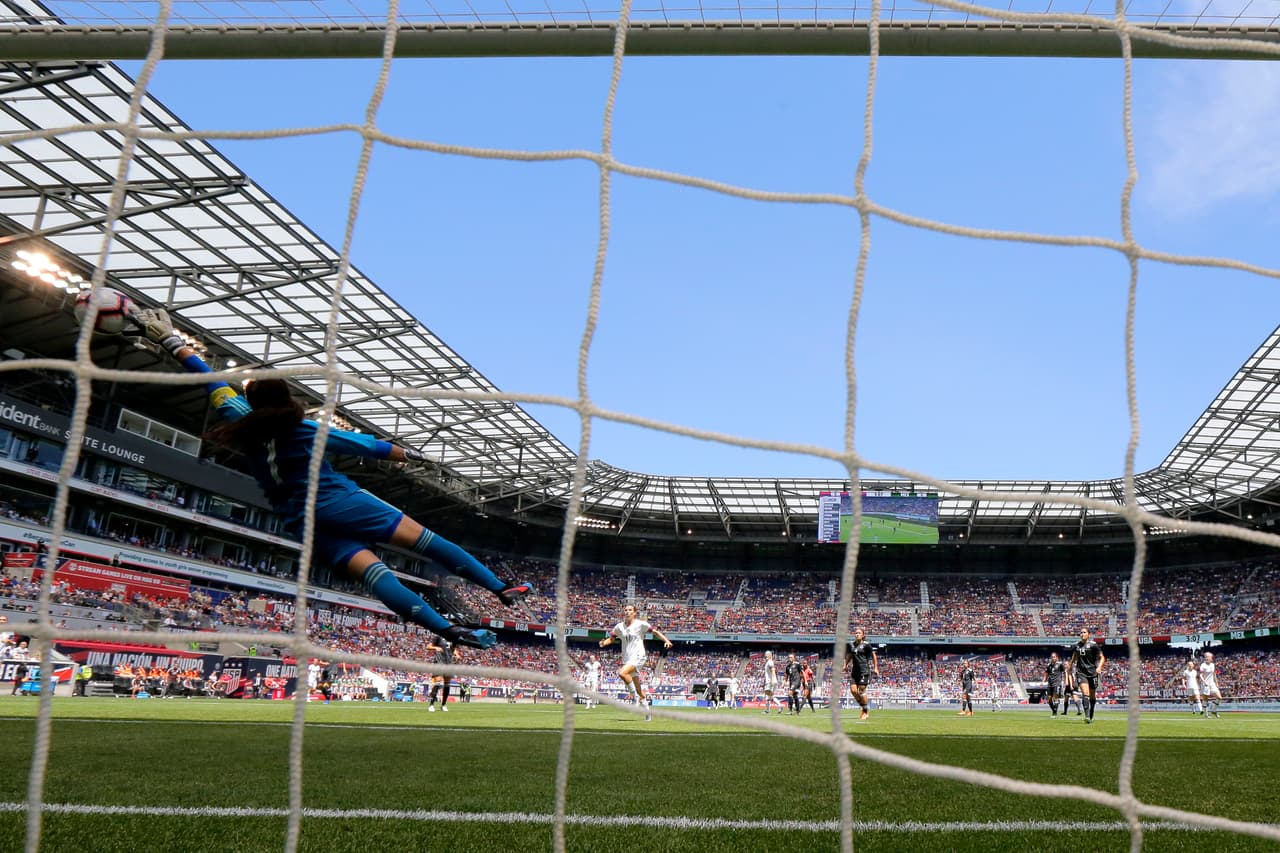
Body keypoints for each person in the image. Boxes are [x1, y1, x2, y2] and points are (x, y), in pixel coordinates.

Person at [134, 308, 531, 650]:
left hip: (303, 521)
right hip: (340, 501)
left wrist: (171, 341)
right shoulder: (306, 430)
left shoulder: (238, 420)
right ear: (286, 402)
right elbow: (372, 447)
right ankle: (499, 588)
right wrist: (408, 455)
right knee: (429, 541)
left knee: (377, 577)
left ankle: (448, 629)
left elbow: (209, 379)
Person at [598, 604, 672, 721]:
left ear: (634, 612)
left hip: (639, 656)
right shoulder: (619, 627)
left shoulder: (640, 624)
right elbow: (611, 638)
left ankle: (634, 696)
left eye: (630, 610)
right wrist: (603, 643)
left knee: (622, 673)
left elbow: (655, 632)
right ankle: (647, 712)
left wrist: (666, 640)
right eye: (626, 610)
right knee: (638, 687)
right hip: (627, 658)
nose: (627, 612)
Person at [1067, 627, 1105, 724]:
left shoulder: (1093, 645)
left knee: (1092, 695)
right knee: (1085, 692)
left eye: (1084, 632)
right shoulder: (1076, 645)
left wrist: (1099, 667)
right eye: (1081, 632)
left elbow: (1102, 657)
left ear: (1088, 634)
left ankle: (1091, 712)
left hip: (1092, 673)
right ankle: (1087, 716)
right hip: (1081, 673)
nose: (1082, 634)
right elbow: (1075, 655)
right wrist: (1070, 665)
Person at [845, 628, 880, 722]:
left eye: (859, 633)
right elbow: (849, 655)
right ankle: (863, 706)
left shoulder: (866, 645)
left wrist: (875, 667)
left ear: (863, 635)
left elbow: (873, 655)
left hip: (864, 671)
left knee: (861, 690)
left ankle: (865, 711)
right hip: (854, 672)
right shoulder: (851, 644)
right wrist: (845, 665)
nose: (857, 634)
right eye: (856, 633)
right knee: (853, 691)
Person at [426, 636, 457, 712]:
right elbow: (428, 646)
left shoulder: (453, 638)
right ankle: (431, 705)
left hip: (448, 664)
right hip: (439, 663)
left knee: (447, 685)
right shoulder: (438, 637)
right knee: (438, 682)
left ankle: (443, 705)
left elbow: (453, 649)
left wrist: (456, 654)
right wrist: (435, 648)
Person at [1198, 652, 1222, 718]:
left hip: (1212, 684)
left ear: (1211, 658)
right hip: (1205, 684)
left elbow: (1214, 674)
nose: (1206, 658)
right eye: (1205, 657)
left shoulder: (1212, 665)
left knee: (1219, 697)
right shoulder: (1203, 665)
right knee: (1205, 699)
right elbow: (1200, 675)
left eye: (1208, 657)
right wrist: (1204, 681)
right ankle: (1206, 714)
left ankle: (1213, 710)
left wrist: (1216, 683)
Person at [1045, 652, 1066, 716]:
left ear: (1057, 658)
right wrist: (1044, 680)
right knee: (1049, 700)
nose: (1052, 658)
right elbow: (1047, 673)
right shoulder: (1049, 665)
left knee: (1055, 698)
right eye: (1052, 657)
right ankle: (1054, 710)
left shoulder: (1060, 664)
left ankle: (1054, 713)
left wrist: (1065, 681)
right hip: (1050, 684)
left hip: (1057, 683)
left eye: (1054, 657)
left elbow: (1065, 672)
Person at [762, 650, 781, 715]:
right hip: (772, 681)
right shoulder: (769, 662)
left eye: (766, 655)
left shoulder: (770, 662)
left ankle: (768, 710)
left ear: (770, 655)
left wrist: (772, 680)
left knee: (768, 696)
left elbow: (773, 670)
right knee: (770, 696)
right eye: (765, 655)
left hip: (770, 682)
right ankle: (778, 706)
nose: (765, 656)